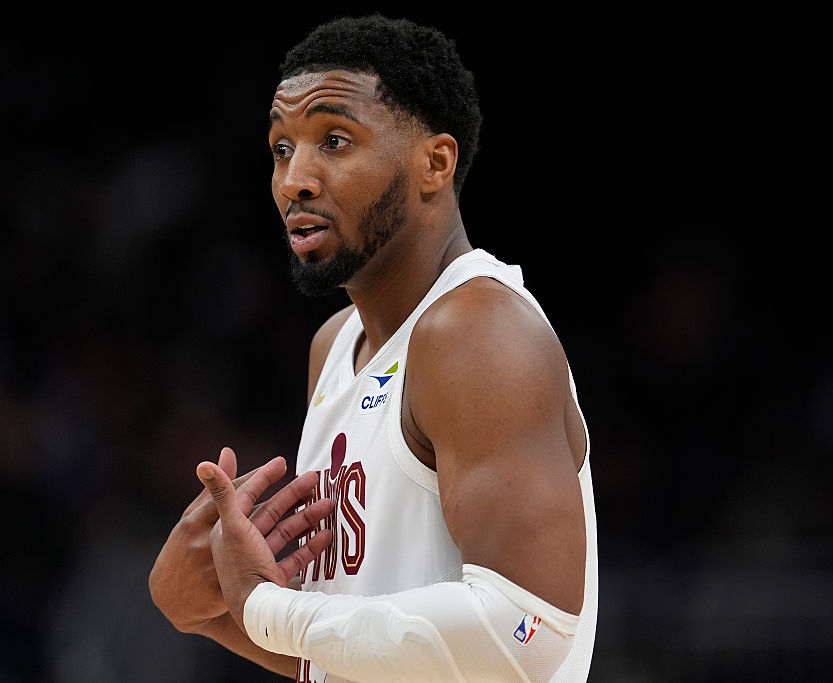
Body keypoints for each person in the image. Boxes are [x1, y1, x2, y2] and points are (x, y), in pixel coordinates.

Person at [149, 14, 598, 683]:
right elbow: (350, 653)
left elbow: (525, 632)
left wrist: (262, 608)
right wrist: (207, 610)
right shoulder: (333, 347)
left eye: (334, 140)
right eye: (280, 148)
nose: (294, 179)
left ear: (434, 163)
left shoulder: (479, 329)